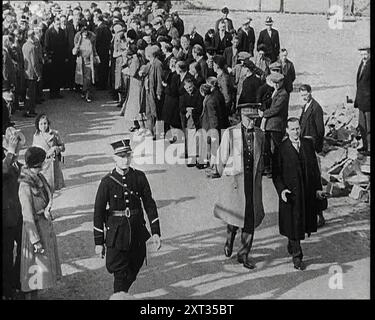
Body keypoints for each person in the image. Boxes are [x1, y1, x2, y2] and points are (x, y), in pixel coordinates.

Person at [93, 138, 161, 298]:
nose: (125, 160)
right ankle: (119, 296)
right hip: (117, 235)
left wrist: (156, 232)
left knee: (135, 265)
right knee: (119, 272)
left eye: (127, 156)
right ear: (114, 158)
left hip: (137, 231)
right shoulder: (107, 182)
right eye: (121, 156)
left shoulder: (139, 177)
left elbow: (149, 204)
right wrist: (98, 242)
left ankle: (121, 293)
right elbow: (98, 212)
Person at [272, 118, 328, 270]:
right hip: (291, 194)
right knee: (293, 223)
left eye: (297, 129)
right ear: (286, 130)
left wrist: (318, 189)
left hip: (307, 192)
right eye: (292, 129)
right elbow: (276, 174)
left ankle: (292, 242)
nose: (296, 132)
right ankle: (297, 257)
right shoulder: (281, 148)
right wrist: (282, 190)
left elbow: (315, 170)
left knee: (300, 224)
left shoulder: (307, 145)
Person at [214, 103, 265, 269]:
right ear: (242, 117)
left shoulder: (260, 134)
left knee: (249, 218)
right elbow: (220, 160)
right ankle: (230, 238)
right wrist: (227, 179)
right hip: (235, 183)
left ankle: (243, 254)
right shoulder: (230, 133)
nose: (252, 122)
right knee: (235, 217)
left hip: (252, 183)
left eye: (254, 119)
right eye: (249, 119)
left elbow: (261, 158)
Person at [18, 146, 62, 299]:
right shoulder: (25, 185)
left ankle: (35, 296)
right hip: (34, 233)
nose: (43, 166)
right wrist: (35, 241)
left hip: (44, 226)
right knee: (32, 270)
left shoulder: (39, 177)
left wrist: (47, 209)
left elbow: (48, 194)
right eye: (41, 163)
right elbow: (27, 215)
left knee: (39, 271)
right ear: (35, 164)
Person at [2, 127, 25, 300]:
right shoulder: (6, 162)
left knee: (24, 250)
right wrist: (10, 153)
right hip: (6, 218)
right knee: (6, 255)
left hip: (18, 215)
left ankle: (16, 282)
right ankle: (7, 289)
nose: (17, 148)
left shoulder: (17, 163)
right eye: (14, 144)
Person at [298, 84, 325, 227]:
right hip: (305, 147)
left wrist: (316, 148)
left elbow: (320, 131)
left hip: (312, 148)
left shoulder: (316, 108)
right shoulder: (305, 107)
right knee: (308, 181)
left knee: (315, 181)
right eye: (302, 95)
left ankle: (320, 214)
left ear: (310, 92)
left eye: (306, 94)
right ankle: (313, 214)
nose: (304, 96)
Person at [258, 73, 289, 178]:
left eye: (278, 83)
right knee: (267, 147)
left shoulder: (283, 94)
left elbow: (276, 109)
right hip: (270, 124)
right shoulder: (275, 91)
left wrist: (264, 113)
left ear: (282, 82)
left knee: (275, 148)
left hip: (277, 125)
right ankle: (269, 168)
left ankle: (275, 170)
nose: (276, 85)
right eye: (274, 83)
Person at [32, 113, 65, 193]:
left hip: (53, 163)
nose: (43, 126)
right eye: (41, 124)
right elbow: (33, 150)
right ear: (37, 125)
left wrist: (56, 148)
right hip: (42, 164)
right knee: (43, 187)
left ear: (48, 124)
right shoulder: (36, 136)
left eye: (45, 123)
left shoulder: (54, 134)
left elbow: (63, 147)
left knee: (53, 186)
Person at [73, 25, 98, 102]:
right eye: (83, 32)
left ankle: (87, 95)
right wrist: (77, 47)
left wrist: (96, 57)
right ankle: (84, 91)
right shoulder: (79, 40)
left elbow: (93, 49)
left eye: (86, 32)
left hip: (89, 62)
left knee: (88, 78)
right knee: (82, 79)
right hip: (81, 62)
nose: (85, 34)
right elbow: (74, 52)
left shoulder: (91, 40)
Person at [44, 16, 68, 99]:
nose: (58, 25)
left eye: (59, 24)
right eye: (57, 24)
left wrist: (65, 56)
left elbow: (64, 44)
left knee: (59, 75)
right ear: (53, 23)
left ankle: (57, 92)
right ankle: (52, 93)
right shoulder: (49, 32)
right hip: (53, 57)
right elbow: (46, 45)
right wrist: (48, 56)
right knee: (52, 75)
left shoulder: (62, 32)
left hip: (60, 57)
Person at [354, 46, 370, 156]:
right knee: (362, 126)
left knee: (369, 127)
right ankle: (365, 146)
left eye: (365, 54)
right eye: (361, 54)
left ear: (369, 54)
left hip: (369, 102)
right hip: (361, 102)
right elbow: (359, 84)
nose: (363, 57)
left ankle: (369, 149)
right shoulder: (362, 64)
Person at [144, 45, 164, 139]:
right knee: (149, 111)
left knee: (156, 112)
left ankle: (157, 132)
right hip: (148, 89)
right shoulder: (151, 63)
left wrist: (159, 92)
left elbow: (159, 79)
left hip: (154, 90)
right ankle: (150, 131)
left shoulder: (158, 64)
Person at [122, 44, 143, 131]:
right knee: (134, 102)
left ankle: (138, 124)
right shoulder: (136, 58)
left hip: (135, 83)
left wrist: (126, 71)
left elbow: (133, 72)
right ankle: (136, 123)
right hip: (134, 83)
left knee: (135, 103)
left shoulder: (135, 60)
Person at [22, 30, 41, 117]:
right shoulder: (32, 47)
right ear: (32, 36)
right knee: (31, 93)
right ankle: (30, 110)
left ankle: (27, 109)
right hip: (31, 72)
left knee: (27, 92)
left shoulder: (24, 45)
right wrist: (38, 74)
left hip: (26, 71)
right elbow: (34, 62)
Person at [94, 14, 112, 90]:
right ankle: (103, 84)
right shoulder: (106, 27)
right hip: (105, 50)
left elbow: (96, 40)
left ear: (97, 19)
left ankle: (101, 84)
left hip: (100, 50)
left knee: (101, 68)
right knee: (104, 67)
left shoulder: (99, 28)